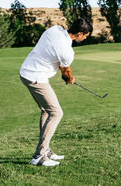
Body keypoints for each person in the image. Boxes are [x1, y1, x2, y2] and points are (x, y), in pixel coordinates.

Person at [20, 18, 92, 167]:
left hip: (26, 72)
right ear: (79, 33)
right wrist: (70, 79)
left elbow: (58, 62)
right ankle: (39, 156)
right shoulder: (67, 52)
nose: (85, 38)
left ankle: (45, 150)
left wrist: (66, 73)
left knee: (46, 111)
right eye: (85, 36)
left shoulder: (55, 29)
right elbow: (65, 71)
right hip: (36, 77)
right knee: (56, 113)